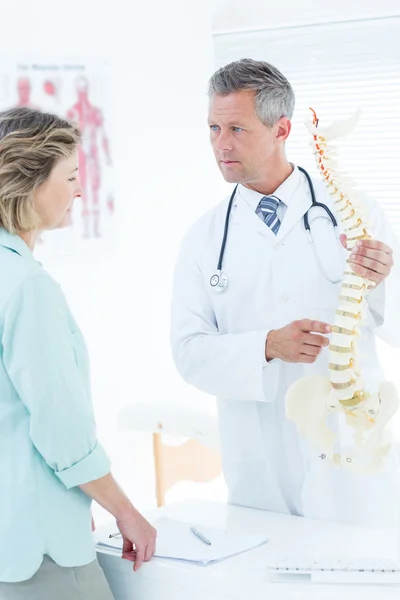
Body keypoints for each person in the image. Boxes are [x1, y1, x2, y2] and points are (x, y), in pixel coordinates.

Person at [170, 59, 400, 529]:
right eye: (213, 128)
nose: (221, 144)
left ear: (282, 129)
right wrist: (266, 347)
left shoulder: (356, 213)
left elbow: (388, 321)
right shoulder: (203, 238)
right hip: (260, 460)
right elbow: (188, 352)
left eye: (236, 128)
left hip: (349, 453)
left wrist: (383, 280)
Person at [0, 107, 156, 599]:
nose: (79, 191)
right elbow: (62, 431)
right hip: (39, 554)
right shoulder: (28, 287)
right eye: (69, 177)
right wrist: (127, 513)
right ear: (29, 184)